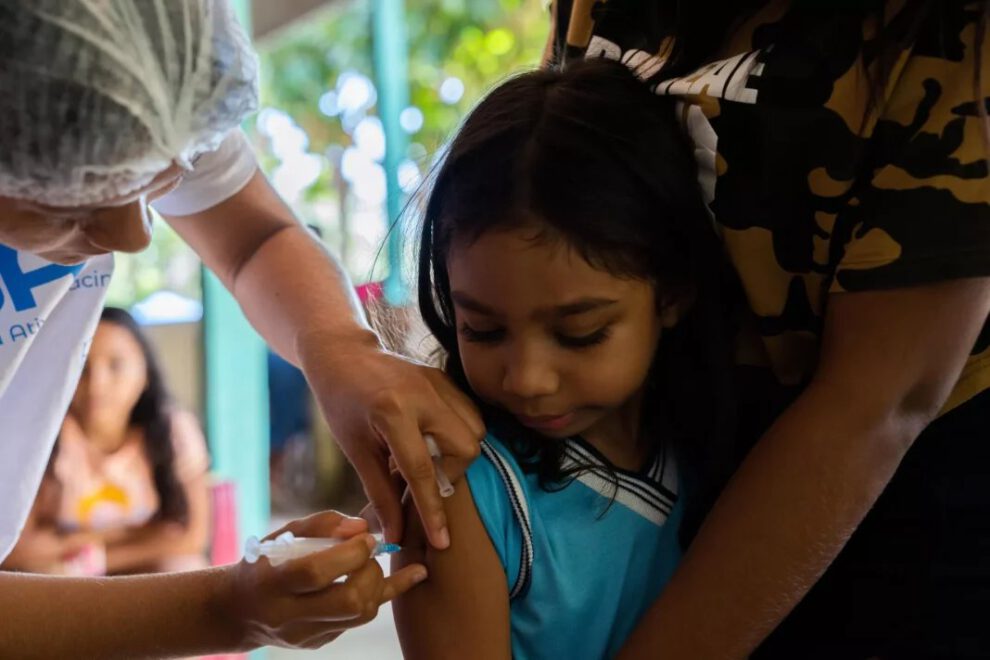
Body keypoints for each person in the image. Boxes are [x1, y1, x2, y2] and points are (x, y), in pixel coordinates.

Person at [0, 1, 483, 656]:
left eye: (156, 181)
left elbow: (255, 237)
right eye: (75, 199)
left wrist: (338, 345)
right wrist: (225, 610)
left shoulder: (125, 94)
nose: (134, 236)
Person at [542, 1, 990, 658]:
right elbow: (538, 216)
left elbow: (877, 406)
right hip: (664, 471)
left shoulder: (953, 31)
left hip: (888, 519)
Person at [392, 59, 741, 658]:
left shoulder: (719, 444)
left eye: (580, 333)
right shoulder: (463, 492)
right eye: (481, 329)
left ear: (674, 292)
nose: (527, 379)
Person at [3, 307, 211, 576]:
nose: (97, 384)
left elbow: (191, 537)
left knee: (185, 568)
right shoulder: (41, 436)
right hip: (66, 577)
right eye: (83, 366)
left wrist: (92, 559)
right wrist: (126, 534)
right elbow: (19, 549)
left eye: (115, 365)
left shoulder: (174, 431)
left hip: (120, 569)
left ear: (145, 372)